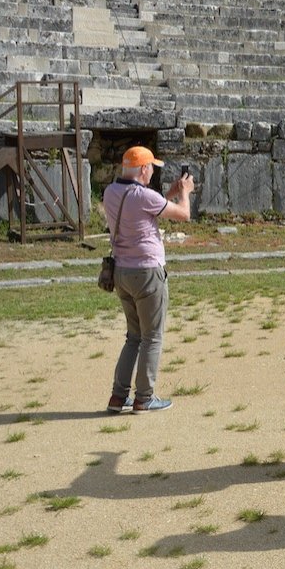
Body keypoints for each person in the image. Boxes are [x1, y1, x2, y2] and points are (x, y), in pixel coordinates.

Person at [103, 146, 193, 414]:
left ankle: (118, 397)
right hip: (147, 272)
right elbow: (184, 215)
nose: (152, 171)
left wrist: (170, 195)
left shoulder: (111, 192)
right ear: (143, 169)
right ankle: (144, 397)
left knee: (133, 336)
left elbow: (147, 207)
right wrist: (185, 193)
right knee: (152, 337)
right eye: (151, 166)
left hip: (122, 271)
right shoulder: (143, 196)